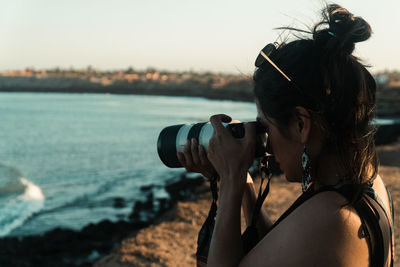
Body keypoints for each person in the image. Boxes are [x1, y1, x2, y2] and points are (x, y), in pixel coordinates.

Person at [177, 4, 394, 267]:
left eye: (265, 126)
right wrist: (243, 183)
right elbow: (282, 251)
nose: (264, 143)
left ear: (301, 124)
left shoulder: (332, 218)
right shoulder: (363, 182)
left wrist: (231, 181)